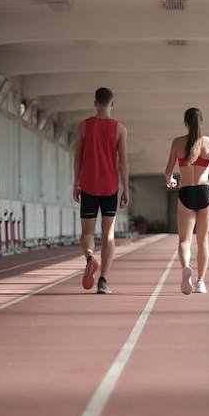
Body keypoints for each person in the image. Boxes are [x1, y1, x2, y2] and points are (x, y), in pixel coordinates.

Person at [163, 107, 209, 295]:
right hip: (204, 192)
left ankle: (185, 267)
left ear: (185, 123)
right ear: (202, 122)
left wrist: (170, 180)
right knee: (203, 240)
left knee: (184, 240)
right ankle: (200, 282)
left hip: (185, 192)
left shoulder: (177, 142)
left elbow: (168, 171)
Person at [73, 87, 129, 294]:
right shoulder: (120, 129)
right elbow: (123, 162)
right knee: (109, 235)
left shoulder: (83, 126)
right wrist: (126, 189)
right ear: (112, 104)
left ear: (95, 103)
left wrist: (75, 182)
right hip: (110, 187)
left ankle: (89, 257)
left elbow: (77, 156)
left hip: (88, 185)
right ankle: (103, 281)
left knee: (87, 233)